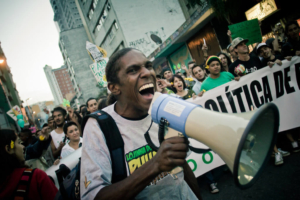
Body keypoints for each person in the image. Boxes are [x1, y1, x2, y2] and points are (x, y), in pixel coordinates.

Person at [81, 48, 202, 200]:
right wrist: (155, 165)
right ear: (114, 88)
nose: (147, 73)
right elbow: (94, 196)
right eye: (132, 70)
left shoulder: (165, 108)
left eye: (148, 66)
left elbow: (182, 165)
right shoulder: (99, 126)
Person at [0, 129, 58, 200]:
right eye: (18, 142)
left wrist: (43, 140)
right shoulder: (36, 177)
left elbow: (34, 150)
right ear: (9, 149)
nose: (23, 147)